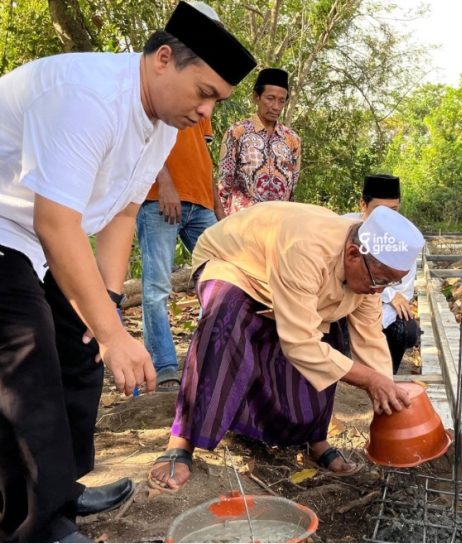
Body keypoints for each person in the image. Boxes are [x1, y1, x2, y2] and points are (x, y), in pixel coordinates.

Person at [0, 1, 256, 541]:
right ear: (163, 59)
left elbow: (121, 212)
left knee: (81, 347)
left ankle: (60, 489)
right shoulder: (87, 97)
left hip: (38, 236)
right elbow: (56, 223)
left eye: (218, 101)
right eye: (204, 93)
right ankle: (36, 525)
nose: (207, 112)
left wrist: (108, 310)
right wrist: (115, 336)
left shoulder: (163, 122)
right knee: (27, 349)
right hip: (9, 228)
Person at [148, 202, 423, 492]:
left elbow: (370, 338)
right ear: (353, 254)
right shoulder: (306, 248)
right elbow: (300, 345)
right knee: (225, 319)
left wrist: (387, 393)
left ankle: (315, 439)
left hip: (289, 278)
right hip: (236, 266)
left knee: (329, 340)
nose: (379, 291)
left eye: (390, 283)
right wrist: (369, 380)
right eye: (380, 280)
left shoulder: (370, 273)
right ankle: (181, 442)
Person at [137, 116, 224, 392]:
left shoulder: (203, 106)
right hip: (158, 198)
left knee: (222, 280)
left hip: (201, 202)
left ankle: (204, 359)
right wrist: (164, 182)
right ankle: (164, 367)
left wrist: (217, 206)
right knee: (157, 287)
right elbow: (143, 136)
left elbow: (202, 152)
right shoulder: (158, 95)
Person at [344, 174, 420, 373]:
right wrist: (390, 294)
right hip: (340, 301)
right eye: (380, 211)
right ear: (363, 204)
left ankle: (386, 375)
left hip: (377, 307)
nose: (387, 219)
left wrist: (375, 322)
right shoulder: (344, 227)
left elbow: (402, 294)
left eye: (393, 211)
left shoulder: (404, 239)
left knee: (406, 330)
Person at [218, 68, 301, 214]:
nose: (276, 106)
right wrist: (222, 221)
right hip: (243, 220)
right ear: (256, 97)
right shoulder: (237, 132)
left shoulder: (292, 139)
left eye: (281, 101)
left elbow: (292, 189)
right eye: (270, 98)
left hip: (278, 220)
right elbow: (225, 182)